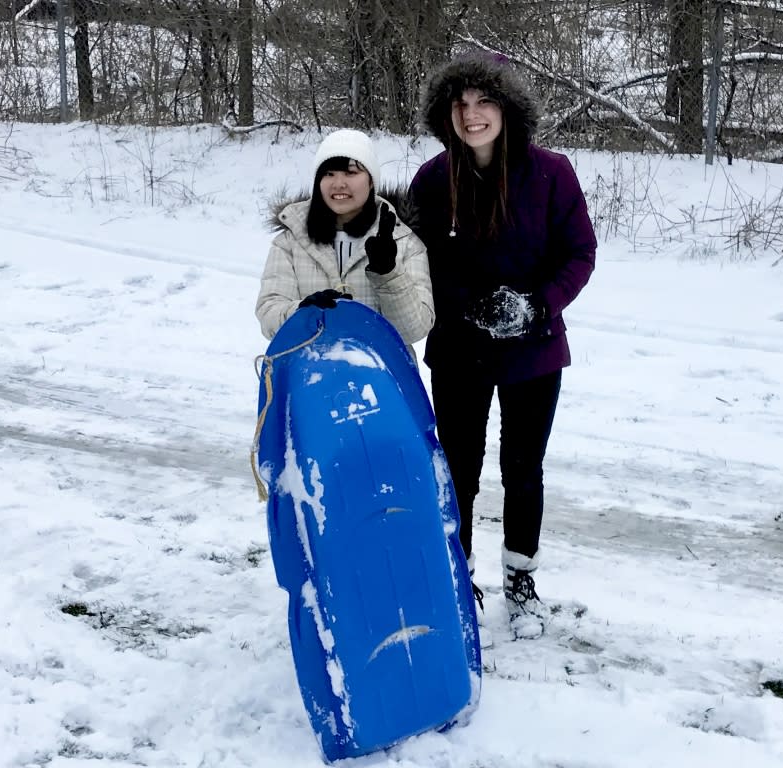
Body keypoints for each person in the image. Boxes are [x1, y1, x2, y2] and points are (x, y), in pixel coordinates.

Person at [408, 53, 597, 640]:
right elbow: (418, 262)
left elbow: (580, 252)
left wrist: (538, 304)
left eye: (484, 102)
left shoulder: (552, 173)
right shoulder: (433, 179)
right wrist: (467, 304)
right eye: (460, 104)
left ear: (507, 109)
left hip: (533, 350)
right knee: (457, 469)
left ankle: (520, 581)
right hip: (459, 350)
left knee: (523, 468)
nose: (472, 114)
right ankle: (457, 580)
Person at [256, 129, 434, 349]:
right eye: (329, 173)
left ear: (371, 181)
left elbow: (415, 329)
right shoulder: (290, 241)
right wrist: (303, 312)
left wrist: (389, 274)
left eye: (351, 172)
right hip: (309, 374)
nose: (338, 183)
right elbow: (268, 315)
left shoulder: (404, 240)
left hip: (380, 376)